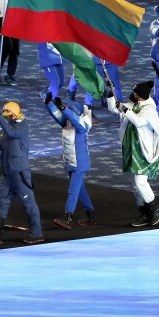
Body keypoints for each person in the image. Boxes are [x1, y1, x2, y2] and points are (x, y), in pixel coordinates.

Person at [0, 102, 44, 245]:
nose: (7, 118)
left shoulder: (21, 126)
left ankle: (37, 233)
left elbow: (12, 133)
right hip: (7, 173)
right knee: (1, 203)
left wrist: (0, 117)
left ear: (15, 114)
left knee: (29, 204)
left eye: (8, 115)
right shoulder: (6, 128)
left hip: (19, 172)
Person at [107, 80, 159, 227]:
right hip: (131, 149)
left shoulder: (150, 110)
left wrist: (125, 110)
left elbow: (138, 121)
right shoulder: (134, 105)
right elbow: (114, 109)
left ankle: (155, 209)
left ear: (141, 96)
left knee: (140, 182)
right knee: (134, 183)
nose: (133, 94)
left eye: (135, 93)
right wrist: (110, 94)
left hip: (143, 152)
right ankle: (144, 212)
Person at [44, 93, 95, 229]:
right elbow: (57, 116)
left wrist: (63, 108)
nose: (66, 114)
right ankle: (90, 213)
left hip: (79, 163)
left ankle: (68, 217)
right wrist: (50, 104)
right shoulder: (67, 123)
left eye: (69, 111)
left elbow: (74, 118)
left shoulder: (81, 126)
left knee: (72, 191)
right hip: (71, 162)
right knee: (80, 190)